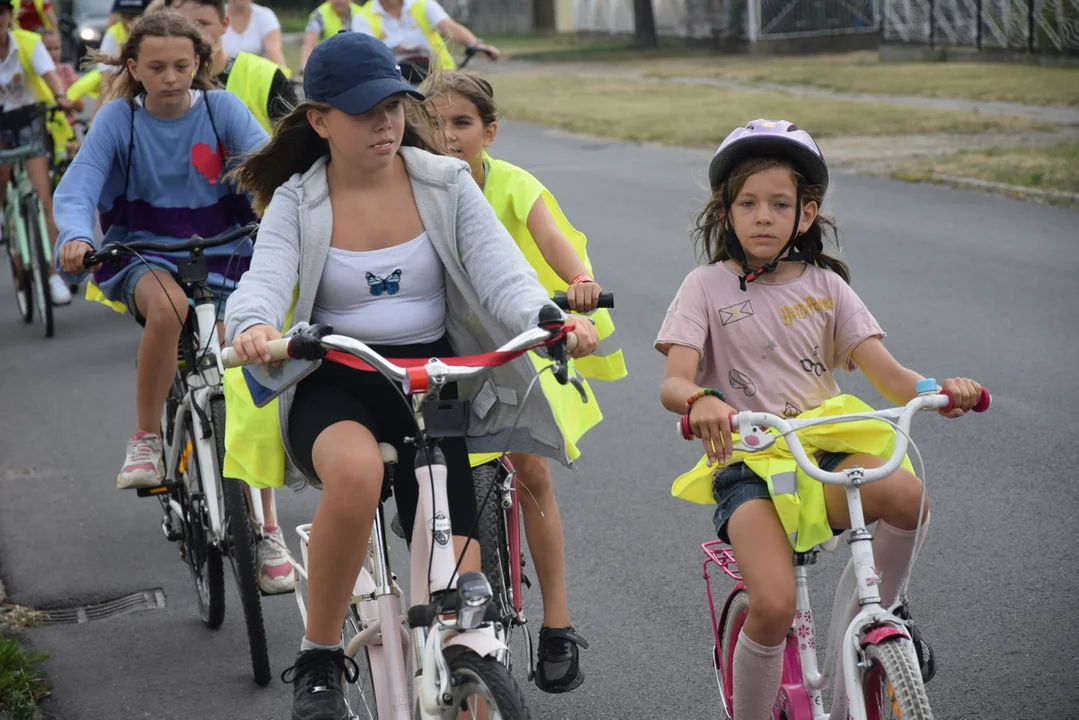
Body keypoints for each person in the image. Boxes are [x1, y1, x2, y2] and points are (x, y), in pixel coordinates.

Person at [224, 32, 598, 720]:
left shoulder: (445, 183)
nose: (386, 124)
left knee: (454, 598)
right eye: (365, 112)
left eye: (394, 106)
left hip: (432, 385)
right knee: (359, 475)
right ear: (320, 121)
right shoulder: (298, 200)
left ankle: (460, 677)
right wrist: (251, 328)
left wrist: (547, 320)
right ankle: (318, 657)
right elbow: (263, 281)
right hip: (336, 382)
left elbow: (503, 274)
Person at [655, 119, 984, 719]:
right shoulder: (704, 286)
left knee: (907, 493)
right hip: (751, 461)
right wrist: (700, 400)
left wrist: (943, 389)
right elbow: (675, 380)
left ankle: (879, 613)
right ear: (726, 212)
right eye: (747, 203)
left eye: (780, 204)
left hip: (824, 448)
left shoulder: (826, 287)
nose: (762, 216)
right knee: (774, 606)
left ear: (806, 215)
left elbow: (891, 377)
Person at [420, 68, 625, 693]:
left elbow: (556, 243)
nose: (450, 137)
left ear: (490, 132)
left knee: (531, 469)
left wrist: (579, 284)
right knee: (425, 476)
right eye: (437, 124)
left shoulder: (512, 184)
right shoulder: (416, 185)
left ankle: (558, 622)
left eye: (463, 124)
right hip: (444, 346)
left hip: (517, 337)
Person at [53, 12, 268, 493]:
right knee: (169, 310)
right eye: (156, 68)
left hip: (225, 250)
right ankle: (146, 438)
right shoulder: (118, 119)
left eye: (181, 66)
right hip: (143, 251)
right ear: (132, 68)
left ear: (199, 63)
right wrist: (75, 235)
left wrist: (284, 212)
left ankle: (266, 529)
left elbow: (268, 170)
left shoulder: (223, 109)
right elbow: (80, 185)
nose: (170, 78)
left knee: (240, 357)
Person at [164, 0, 297, 593]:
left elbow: (297, 153)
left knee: (242, 380)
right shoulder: (151, 91)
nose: (193, 33)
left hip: (246, 244)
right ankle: (164, 443)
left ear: (224, 27)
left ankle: (265, 526)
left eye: (202, 22)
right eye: (179, 17)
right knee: (177, 353)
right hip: (166, 252)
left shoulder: (259, 79)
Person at [0, 2, 74, 304]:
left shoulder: (29, 42)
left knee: (44, 198)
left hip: (29, 117)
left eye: (2, 11)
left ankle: (54, 275)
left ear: (9, 16)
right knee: (2, 181)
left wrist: (60, 96)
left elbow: (49, 73)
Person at [167, 0, 296, 133]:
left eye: (201, 24)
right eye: (181, 25)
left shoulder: (266, 76)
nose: (191, 34)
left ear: (224, 24)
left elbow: (296, 142)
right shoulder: (163, 83)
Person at [352, 0, 499, 84]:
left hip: (438, 76)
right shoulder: (363, 16)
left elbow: (450, 28)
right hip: (396, 81)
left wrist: (478, 45)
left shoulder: (422, 4)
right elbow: (368, 52)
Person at [221, 0, 287, 71]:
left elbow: (275, 56)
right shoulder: (216, 16)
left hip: (257, 77)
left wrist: (285, 78)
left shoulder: (265, 15)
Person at [299, 0, 362, 69]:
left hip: (356, 64)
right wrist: (306, 69)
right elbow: (309, 45)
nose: (341, 1)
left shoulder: (361, 13)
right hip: (327, 66)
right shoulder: (319, 14)